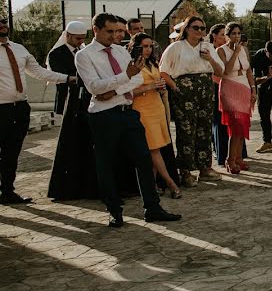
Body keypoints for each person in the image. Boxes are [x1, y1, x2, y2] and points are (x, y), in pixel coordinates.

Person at [75, 13, 181, 227]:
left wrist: (111, 90)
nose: (115, 35)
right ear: (96, 30)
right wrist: (122, 80)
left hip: (128, 111)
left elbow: (137, 79)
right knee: (107, 164)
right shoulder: (84, 55)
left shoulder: (121, 52)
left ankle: (152, 207)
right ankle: (114, 211)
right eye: (110, 31)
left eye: (118, 31)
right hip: (103, 116)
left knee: (143, 159)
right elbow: (94, 87)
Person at [0, 17, 73, 204]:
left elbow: (40, 72)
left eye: (4, 22)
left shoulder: (18, 49)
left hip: (19, 108)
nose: (3, 26)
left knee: (12, 152)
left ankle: (7, 191)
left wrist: (69, 78)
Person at [159, 16, 224, 186]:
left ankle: (204, 168)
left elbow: (220, 71)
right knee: (186, 130)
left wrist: (210, 58)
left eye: (203, 28)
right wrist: (176, 88)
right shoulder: (176, 47)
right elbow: (163, 70)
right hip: (184, 90)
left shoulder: (208, 47)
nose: (200, 31)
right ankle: (185, 171)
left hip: (205, 89)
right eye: (196, 28)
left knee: (204, 129)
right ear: (187, 28)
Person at [47, 21, 100, 201]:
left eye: (82, 39)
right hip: (69, 101)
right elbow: (60, 75)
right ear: (67, 36)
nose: (79, 42)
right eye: (77, 38)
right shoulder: (57, 54)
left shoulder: (84, 52)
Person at [128, 33, 181, 198]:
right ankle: (170, 183)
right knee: (153, 149)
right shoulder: (131, 65)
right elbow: (127, 92)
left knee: (156, 148)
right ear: (136, 47)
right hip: (142, 109)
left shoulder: (153, 63)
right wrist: (150, 87)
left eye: (150, 46)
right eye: (145, 46)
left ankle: (153, 185)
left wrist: (159, 87)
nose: (148, 50)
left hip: (157, 107)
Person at [216, 22, 255, 173]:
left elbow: (249, 71)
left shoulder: (244, 49)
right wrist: (236, 52)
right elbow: (226, 70)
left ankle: (239, 158)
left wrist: (253, 89)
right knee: (235, 125)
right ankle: (230, 160)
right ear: (227, 36)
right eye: (233, 34)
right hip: (229, 87)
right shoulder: (221, 50)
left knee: (243, 124)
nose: (236, 36)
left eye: (238, 33)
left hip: (244, 87)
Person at [208, 24, 231, 167]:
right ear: (214, 36)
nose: (225, 37)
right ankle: (220, 153)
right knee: (218, 120)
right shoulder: (211, 51)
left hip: (229, 86)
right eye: (222, 34)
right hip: (216, 86)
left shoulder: (227, 50)